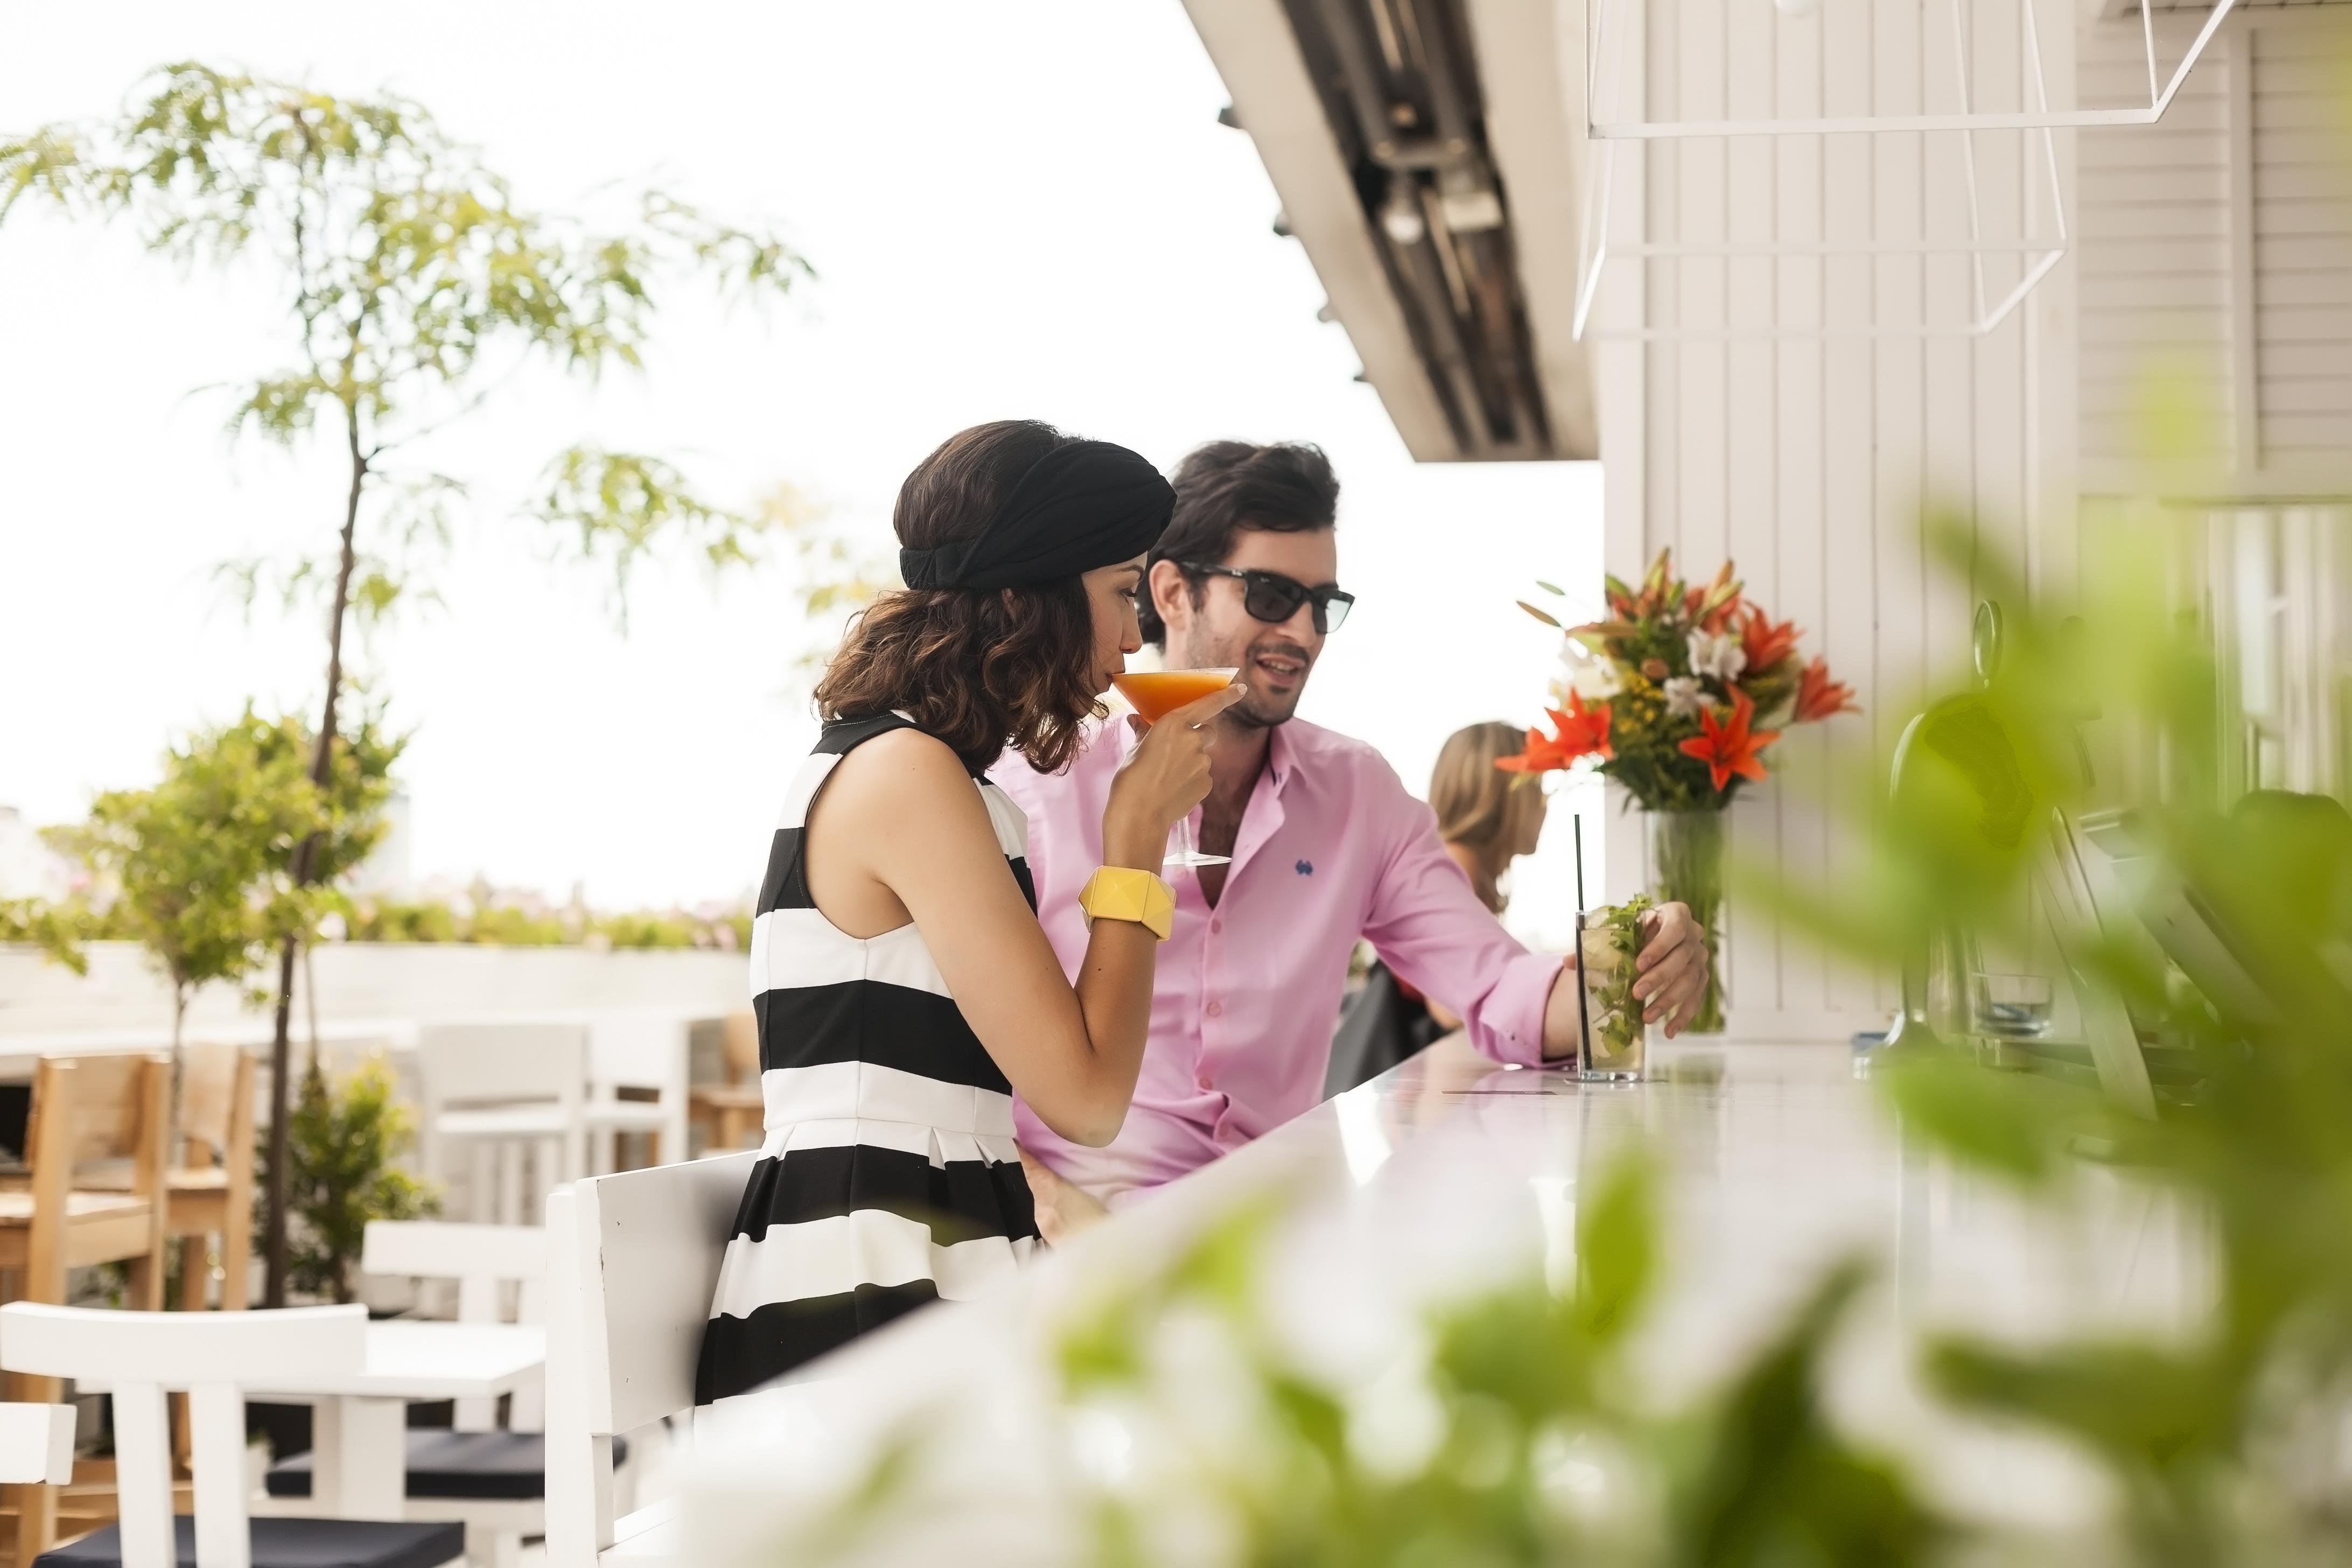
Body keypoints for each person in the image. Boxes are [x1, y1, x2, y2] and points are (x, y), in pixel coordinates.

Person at [997, 440, 1708, 1231]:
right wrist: (1056, 1216)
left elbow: (1494, 985)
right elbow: (955, 1057)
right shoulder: (1036, 785)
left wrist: (1635, 971)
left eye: (1324, 604)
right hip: (1072, 1241)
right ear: (1172, 592)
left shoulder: (1357, 793)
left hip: (1273, 1235)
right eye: (1269, 595)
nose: (1302, 634)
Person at [693, 420, 1245, 1406]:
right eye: (1121, 592)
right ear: (1025, 594)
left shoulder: (934, 776)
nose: (1132, 637)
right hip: (862, 1299)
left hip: (925, 1262)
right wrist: (1135, 841)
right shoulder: (907, 776)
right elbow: (1084, 1097)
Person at [1328, 721, 1552, 1090]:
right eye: (1536, 789)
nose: (1545, 805)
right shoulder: (1457, 864)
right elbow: (1450, 1009)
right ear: (1502, 796)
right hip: (1414, 1088)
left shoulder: (1466, 867)